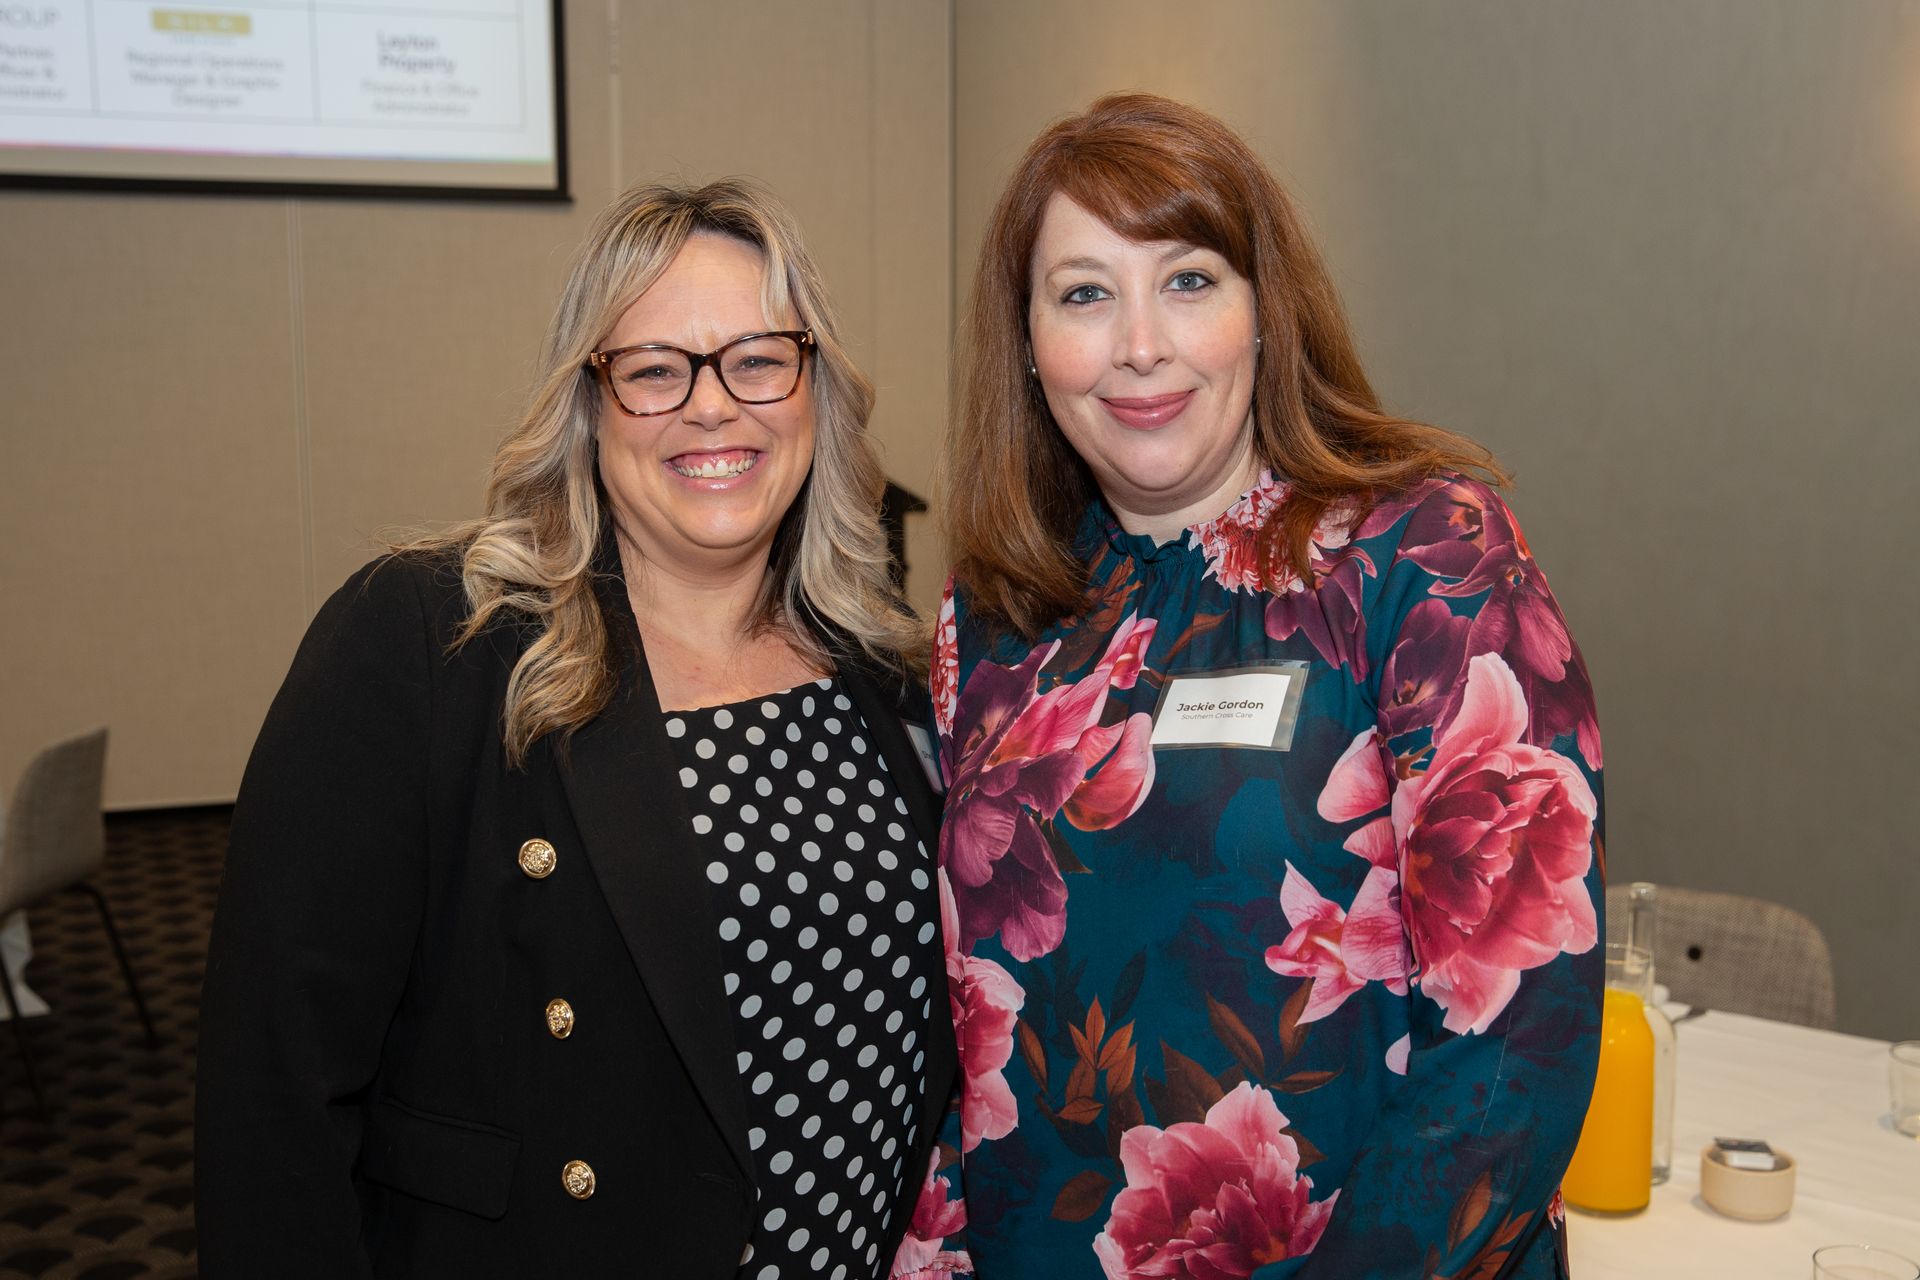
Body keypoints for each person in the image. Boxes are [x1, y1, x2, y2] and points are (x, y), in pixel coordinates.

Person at [195, 179, 957, 1280]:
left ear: (814, 391)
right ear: (589, 406)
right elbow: (274, 1092)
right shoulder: (432, 643)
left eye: (756, 357)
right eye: (654, 369)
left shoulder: (883, 675)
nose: (712, 404)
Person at [918, 94, 1605, 1278]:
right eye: (1085, 293)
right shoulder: (989, 622)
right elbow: (951, 1033)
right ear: (1028, 342)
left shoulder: (1421, 558)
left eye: (1187, 280)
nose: (1140, 342)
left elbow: (1517, 1047)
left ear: (1262, 309)